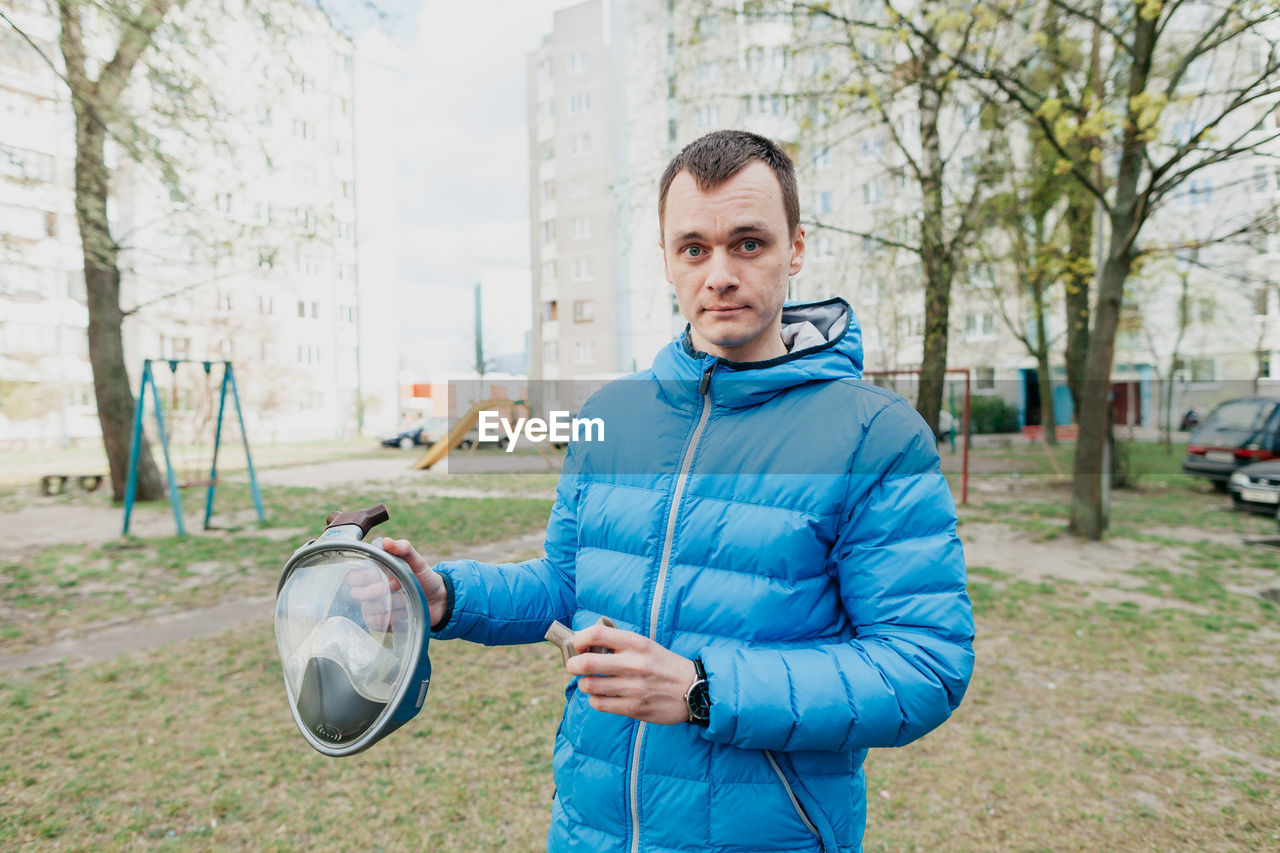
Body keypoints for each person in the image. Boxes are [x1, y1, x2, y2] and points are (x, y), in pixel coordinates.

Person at [380, 130, 974, 853]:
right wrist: (446, 593)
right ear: (667, 260)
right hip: (591, 829)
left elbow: (922, 664)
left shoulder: (875, 435)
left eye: (748, 243)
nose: (718, 273)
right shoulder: (610, 414)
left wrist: (702, 689)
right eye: (694, 248)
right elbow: (568, 586)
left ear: (797, 248)